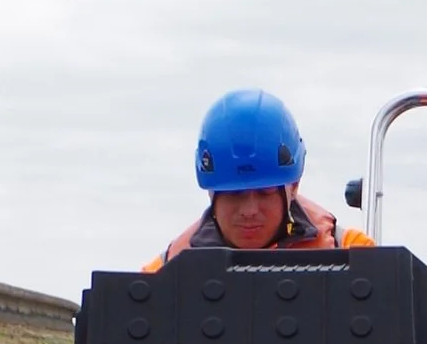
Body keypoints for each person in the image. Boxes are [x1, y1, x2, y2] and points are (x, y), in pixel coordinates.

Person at [149, 89, 370, 265]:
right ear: (211, 192)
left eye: (265, 192)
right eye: (234, 194)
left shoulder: (355, 254)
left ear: (293, 186)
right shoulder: (163, 273)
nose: (249, 210)